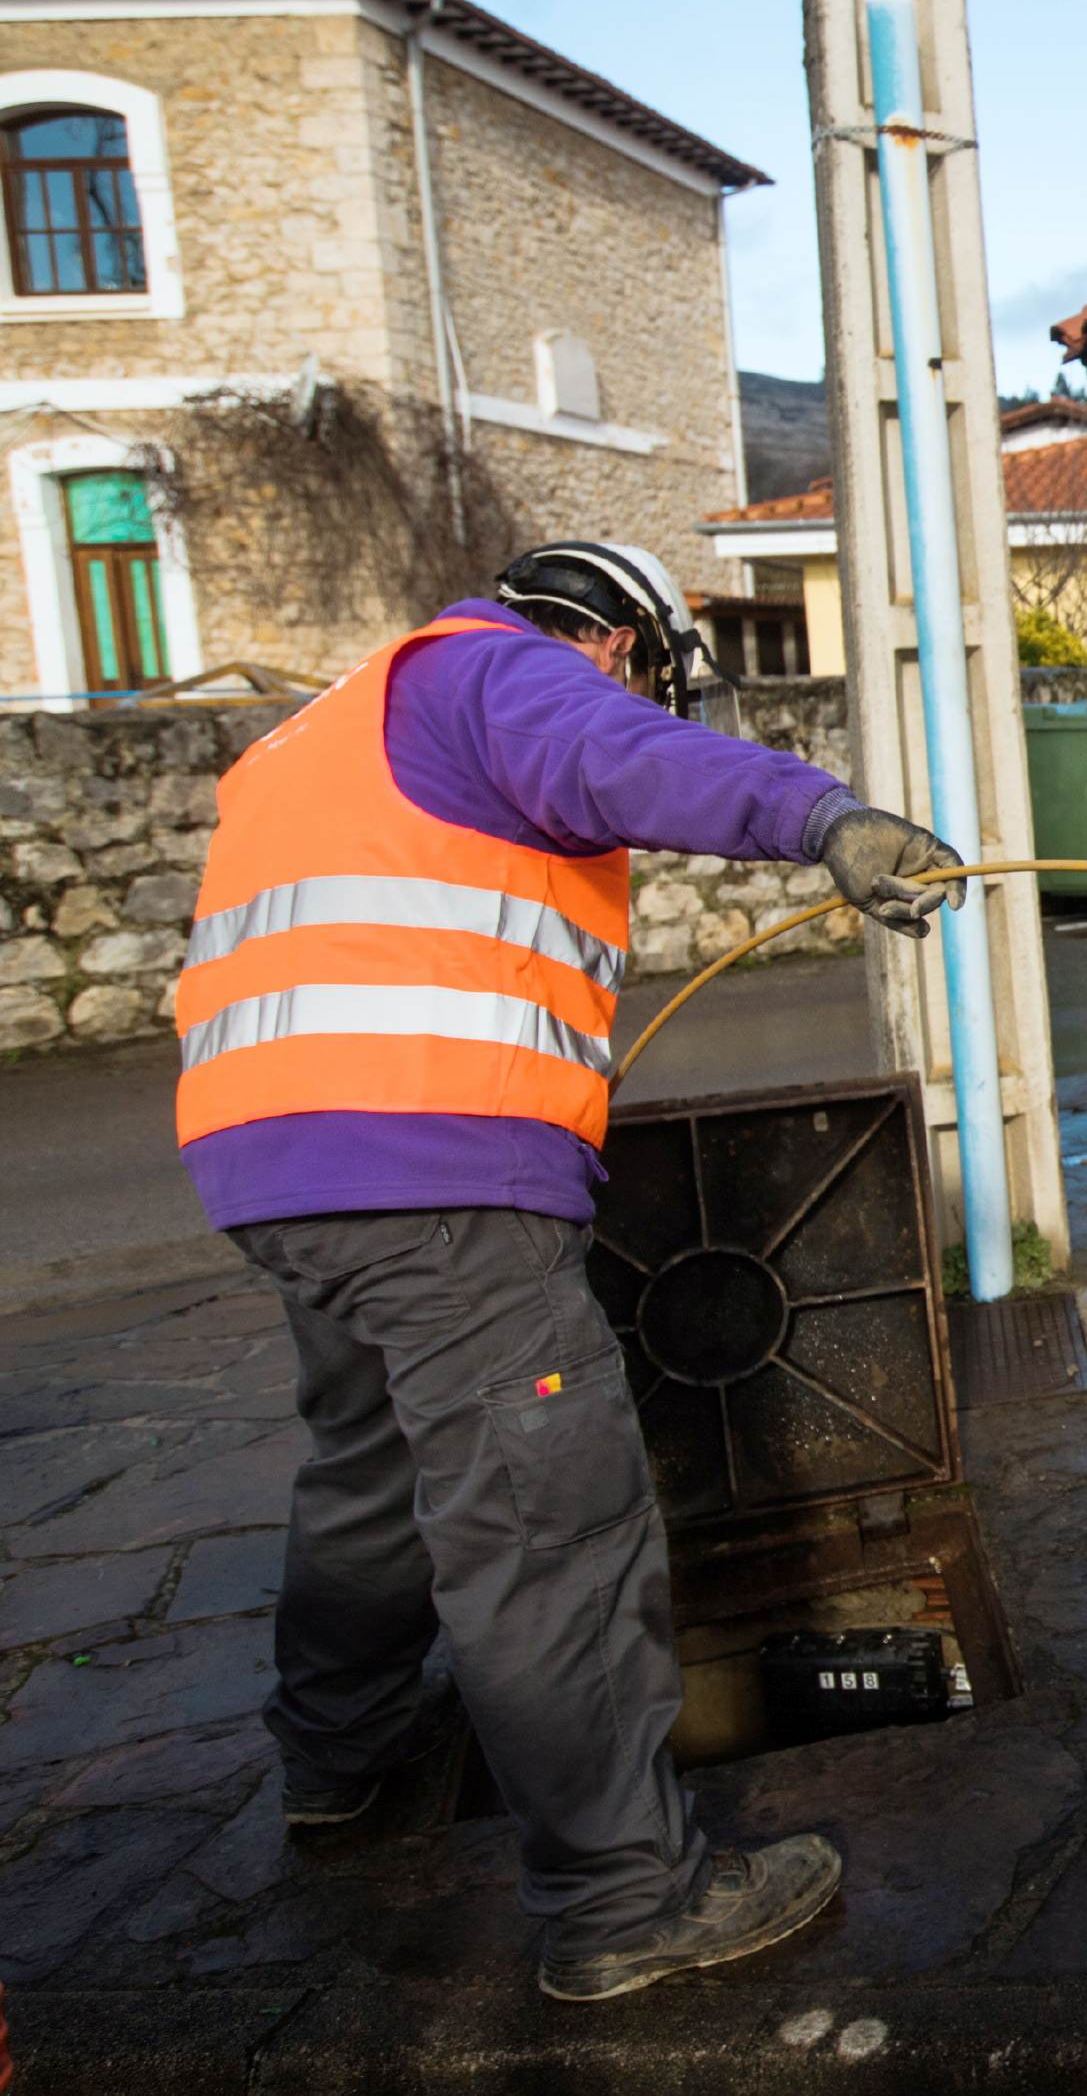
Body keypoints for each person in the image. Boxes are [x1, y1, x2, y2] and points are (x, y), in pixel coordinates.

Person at [174, 541, 967, 2002]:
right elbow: (622, 759)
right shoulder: (504, 671)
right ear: (610, 639)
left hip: (274, 1162)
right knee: (545, 1516)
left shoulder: (326, 722)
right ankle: (623, 1896)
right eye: (647, 669)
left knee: (371, 1467)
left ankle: (338, 1759)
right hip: (440, 1171)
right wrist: (823, 815)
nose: (636, 690)